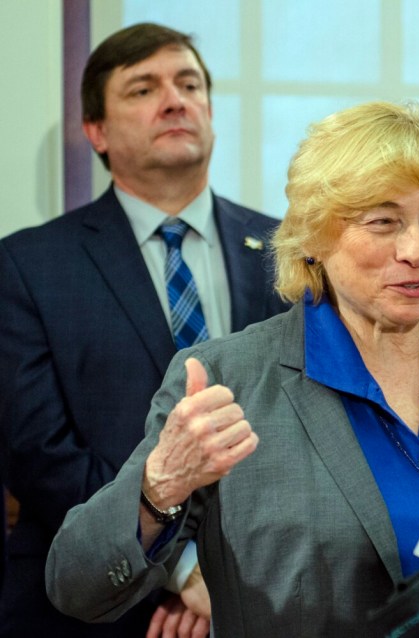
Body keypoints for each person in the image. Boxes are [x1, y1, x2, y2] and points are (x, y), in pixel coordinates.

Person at [46, 101, 419, 638]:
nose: (417, 250)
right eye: (384, 222)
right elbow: (77, 584)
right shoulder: (229, 380)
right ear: (315, 237)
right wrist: (159, 488)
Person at [0, 23, 288, 638]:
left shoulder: (289, 252)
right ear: (96, 131)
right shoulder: (27, 266)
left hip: (274, 592)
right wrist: (180, 568)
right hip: (93, 606)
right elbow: (39, 452)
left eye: (189, 83)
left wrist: (226, 577)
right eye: (142, 89)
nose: (175, 99)